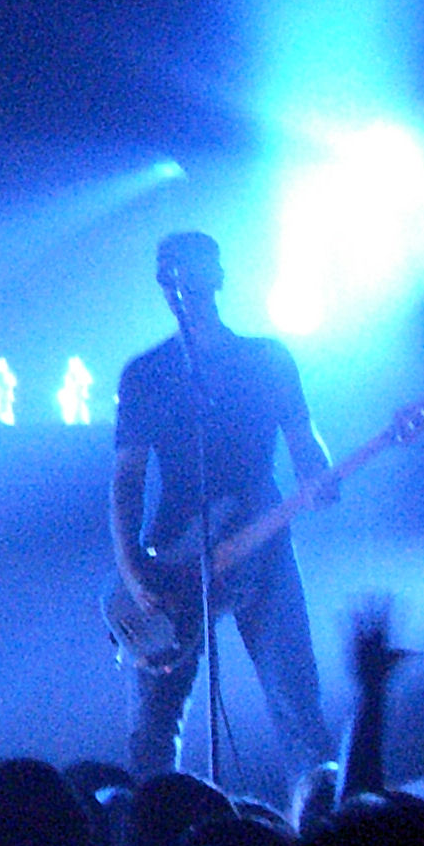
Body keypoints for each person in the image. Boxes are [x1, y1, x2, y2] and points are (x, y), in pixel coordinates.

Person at [110, 230, 335, 779]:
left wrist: (319, 476)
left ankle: (325, 824)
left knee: (297, 703)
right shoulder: (147, 373)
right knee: (156, 723)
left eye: (192, 270)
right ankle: (157, 838)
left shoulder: (267, 358)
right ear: (164, 285)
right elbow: (126, 478)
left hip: (262, 539)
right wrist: (131, 567)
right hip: (174, 552)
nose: (182, 283)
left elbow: (303, 437)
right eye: (171, 272)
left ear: (219, 276)